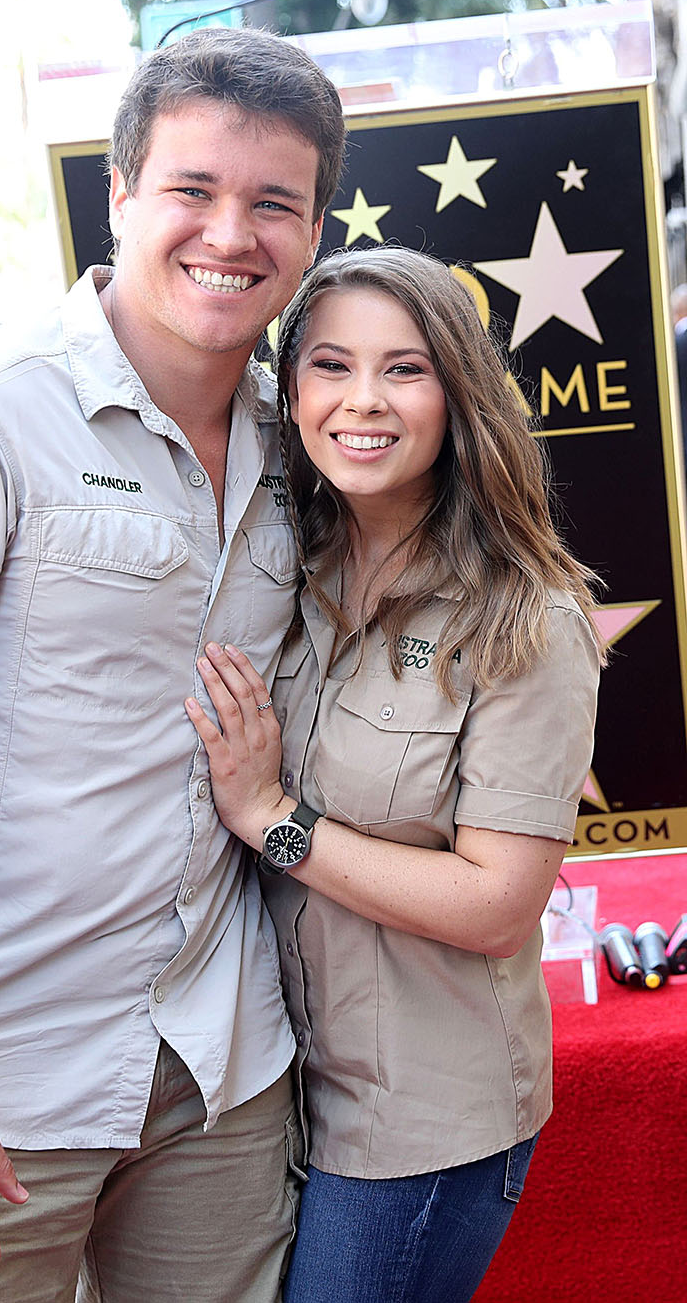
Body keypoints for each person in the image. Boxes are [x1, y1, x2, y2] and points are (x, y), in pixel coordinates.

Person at [0, 27, 346, 1302]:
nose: (230, 232)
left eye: (274, 203)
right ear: (121, 195)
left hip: (221, 1072)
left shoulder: (297, 437)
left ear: (316, 228)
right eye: (194, 190)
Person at [186, 246, 602, 1303]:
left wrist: (272, 815)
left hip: (419, 1123)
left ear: (457, 392)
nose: (360, 400)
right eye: (329, 365)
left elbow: (497, 904)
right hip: (274, 1088)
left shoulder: (524, 618)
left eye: (403, 369)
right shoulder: (285, 564)